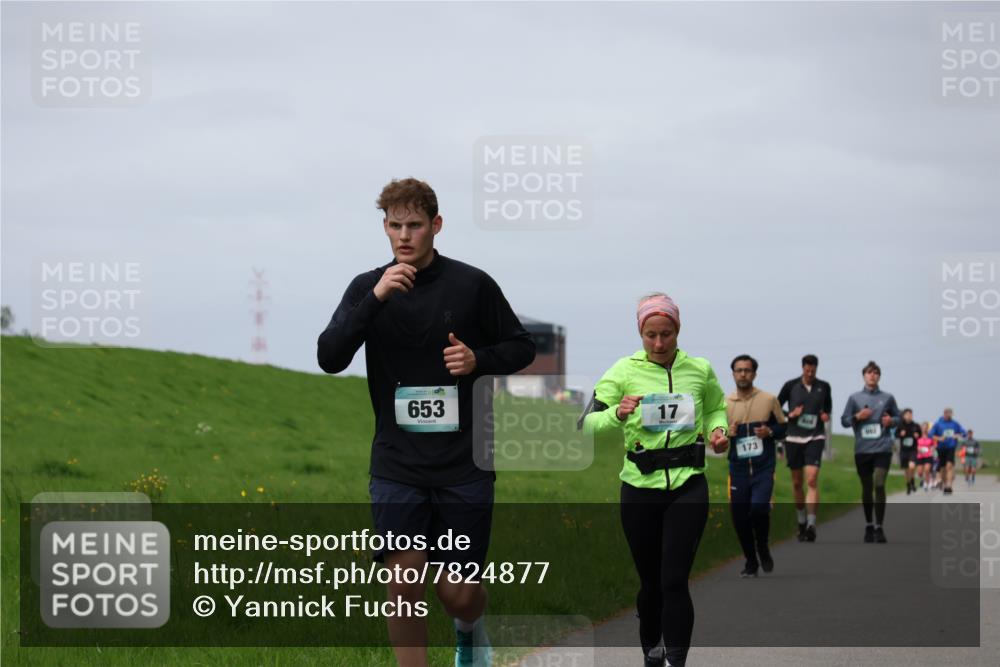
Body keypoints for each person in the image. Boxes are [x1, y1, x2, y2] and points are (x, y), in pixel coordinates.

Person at [317, 178, 535, 667]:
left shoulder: (472, 284)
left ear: (436, 225)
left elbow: (522, 346)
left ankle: (470, 627)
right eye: (395, 226)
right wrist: (375, 299)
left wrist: (478, 359)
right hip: (397, 462)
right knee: (404, 580)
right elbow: (329, 357)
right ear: (384, 227)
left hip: (464, 462)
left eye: (414, 225)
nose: (404, 236)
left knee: (458, 593)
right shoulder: (367, 287)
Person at [581, 293, 728, 667]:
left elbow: (715, 407)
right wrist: (617, 413)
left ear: (678, 330)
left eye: (666, 334)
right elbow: (587, 425)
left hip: (688, 484)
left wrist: (719, 431)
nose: (659, 343)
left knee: (674, 580)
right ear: (640, 333)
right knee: (651, 582)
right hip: (639, 488)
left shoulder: (700, 369)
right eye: (651, 335)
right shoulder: (622, 371)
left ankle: (676, 660)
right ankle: (651, 649)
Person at [726, 355, 786, 578]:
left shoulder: (769, 399)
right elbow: (716, 437)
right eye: (739, 370)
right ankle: (751, 561)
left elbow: (783, 428)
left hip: (763, 468)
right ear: (733, 374)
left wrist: (769, 431)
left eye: (747, 370)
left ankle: (763, 546)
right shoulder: (725, 404)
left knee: (759, 508)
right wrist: (728, 432)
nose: (743, 374)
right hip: (738, 470)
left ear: (754, 374)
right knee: (739, 517)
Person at [841, 361, 900, 543]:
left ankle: (879, 527)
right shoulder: (854, 398)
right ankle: (869, 525)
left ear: (879, 376)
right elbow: (844, 421)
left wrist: (891, 421)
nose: (872, 375)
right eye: (869, 372)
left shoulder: (888, 398)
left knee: (879, 484)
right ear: (864, 376)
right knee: (867, 488)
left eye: (875, 373)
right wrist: (857, 416)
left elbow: (899, 418)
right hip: (862, 450)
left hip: (883, 448)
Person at [777, 354, 832, 542]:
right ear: (802, 368)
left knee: (812, 479)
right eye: (807, 370)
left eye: (813, 371)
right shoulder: (791, 385)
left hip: (815, 437)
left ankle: (811, 524)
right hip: (793, 438)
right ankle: (801, 521)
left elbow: (827, 409)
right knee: (797, 483)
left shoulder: (824, 387)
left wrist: (825, 415)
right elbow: (776, 407)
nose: (810, 374)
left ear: (816, 369)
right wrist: (791, 414)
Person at [930, 408, 967, 495]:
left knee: (949, 466)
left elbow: (964, 433)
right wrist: (939, 438)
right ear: (944, 414)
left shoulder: (955, 424)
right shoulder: (938, 424)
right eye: (948, 413)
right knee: (942, 468)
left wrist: (958, 435)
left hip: (951, 447)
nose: (949, 415)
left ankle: (949, 486)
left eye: (951, 413)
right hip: (941, 448)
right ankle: (944, 483)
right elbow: (930, 434)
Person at [896, 409, 921, 494]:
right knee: (906, 469)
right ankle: (908, 484)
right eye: (907, 414)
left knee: (912, 466)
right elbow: (896, 435)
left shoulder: (916, 425)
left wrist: (917, 435)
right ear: (904, 416)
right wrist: (900, 434)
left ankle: (912, 481)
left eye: (910, 414)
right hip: (904, 450)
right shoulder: (900, 425)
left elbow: (920, 434)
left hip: (913, 450)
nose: (909, 416)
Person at [916, 422, 937, 491]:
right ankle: (923, 480)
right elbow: (915, 444)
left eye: (926, 428)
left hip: (928, 455)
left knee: (927, 470)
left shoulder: (930, 436)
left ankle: (926, 483)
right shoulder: (918, 436)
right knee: (919, 472)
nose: (924, 429)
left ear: (928, 429)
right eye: (923, 427)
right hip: (920, 456)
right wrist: (918, 448)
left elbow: (934, 444)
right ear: (921, 428)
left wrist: (932, 448)